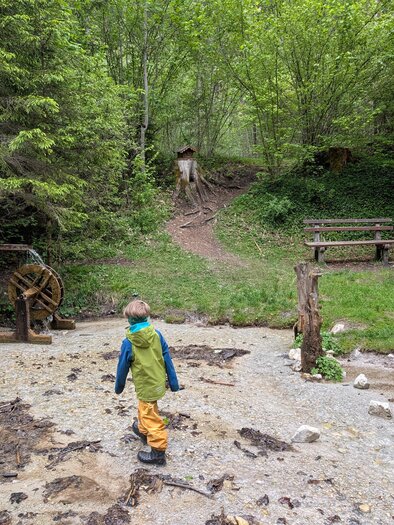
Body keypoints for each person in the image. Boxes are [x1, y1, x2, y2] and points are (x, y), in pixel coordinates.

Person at [114, 299, 179, 465]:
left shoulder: (128, 342)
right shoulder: (157, 335)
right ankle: (142, 430)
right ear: (146, 317)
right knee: (147, 409)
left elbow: (122, 367)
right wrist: (173, 382)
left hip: (145, 385)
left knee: (150, 416)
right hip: (158, 382)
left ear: (129, 320)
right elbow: (167, 359)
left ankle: (158, 453)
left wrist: (119, 387)